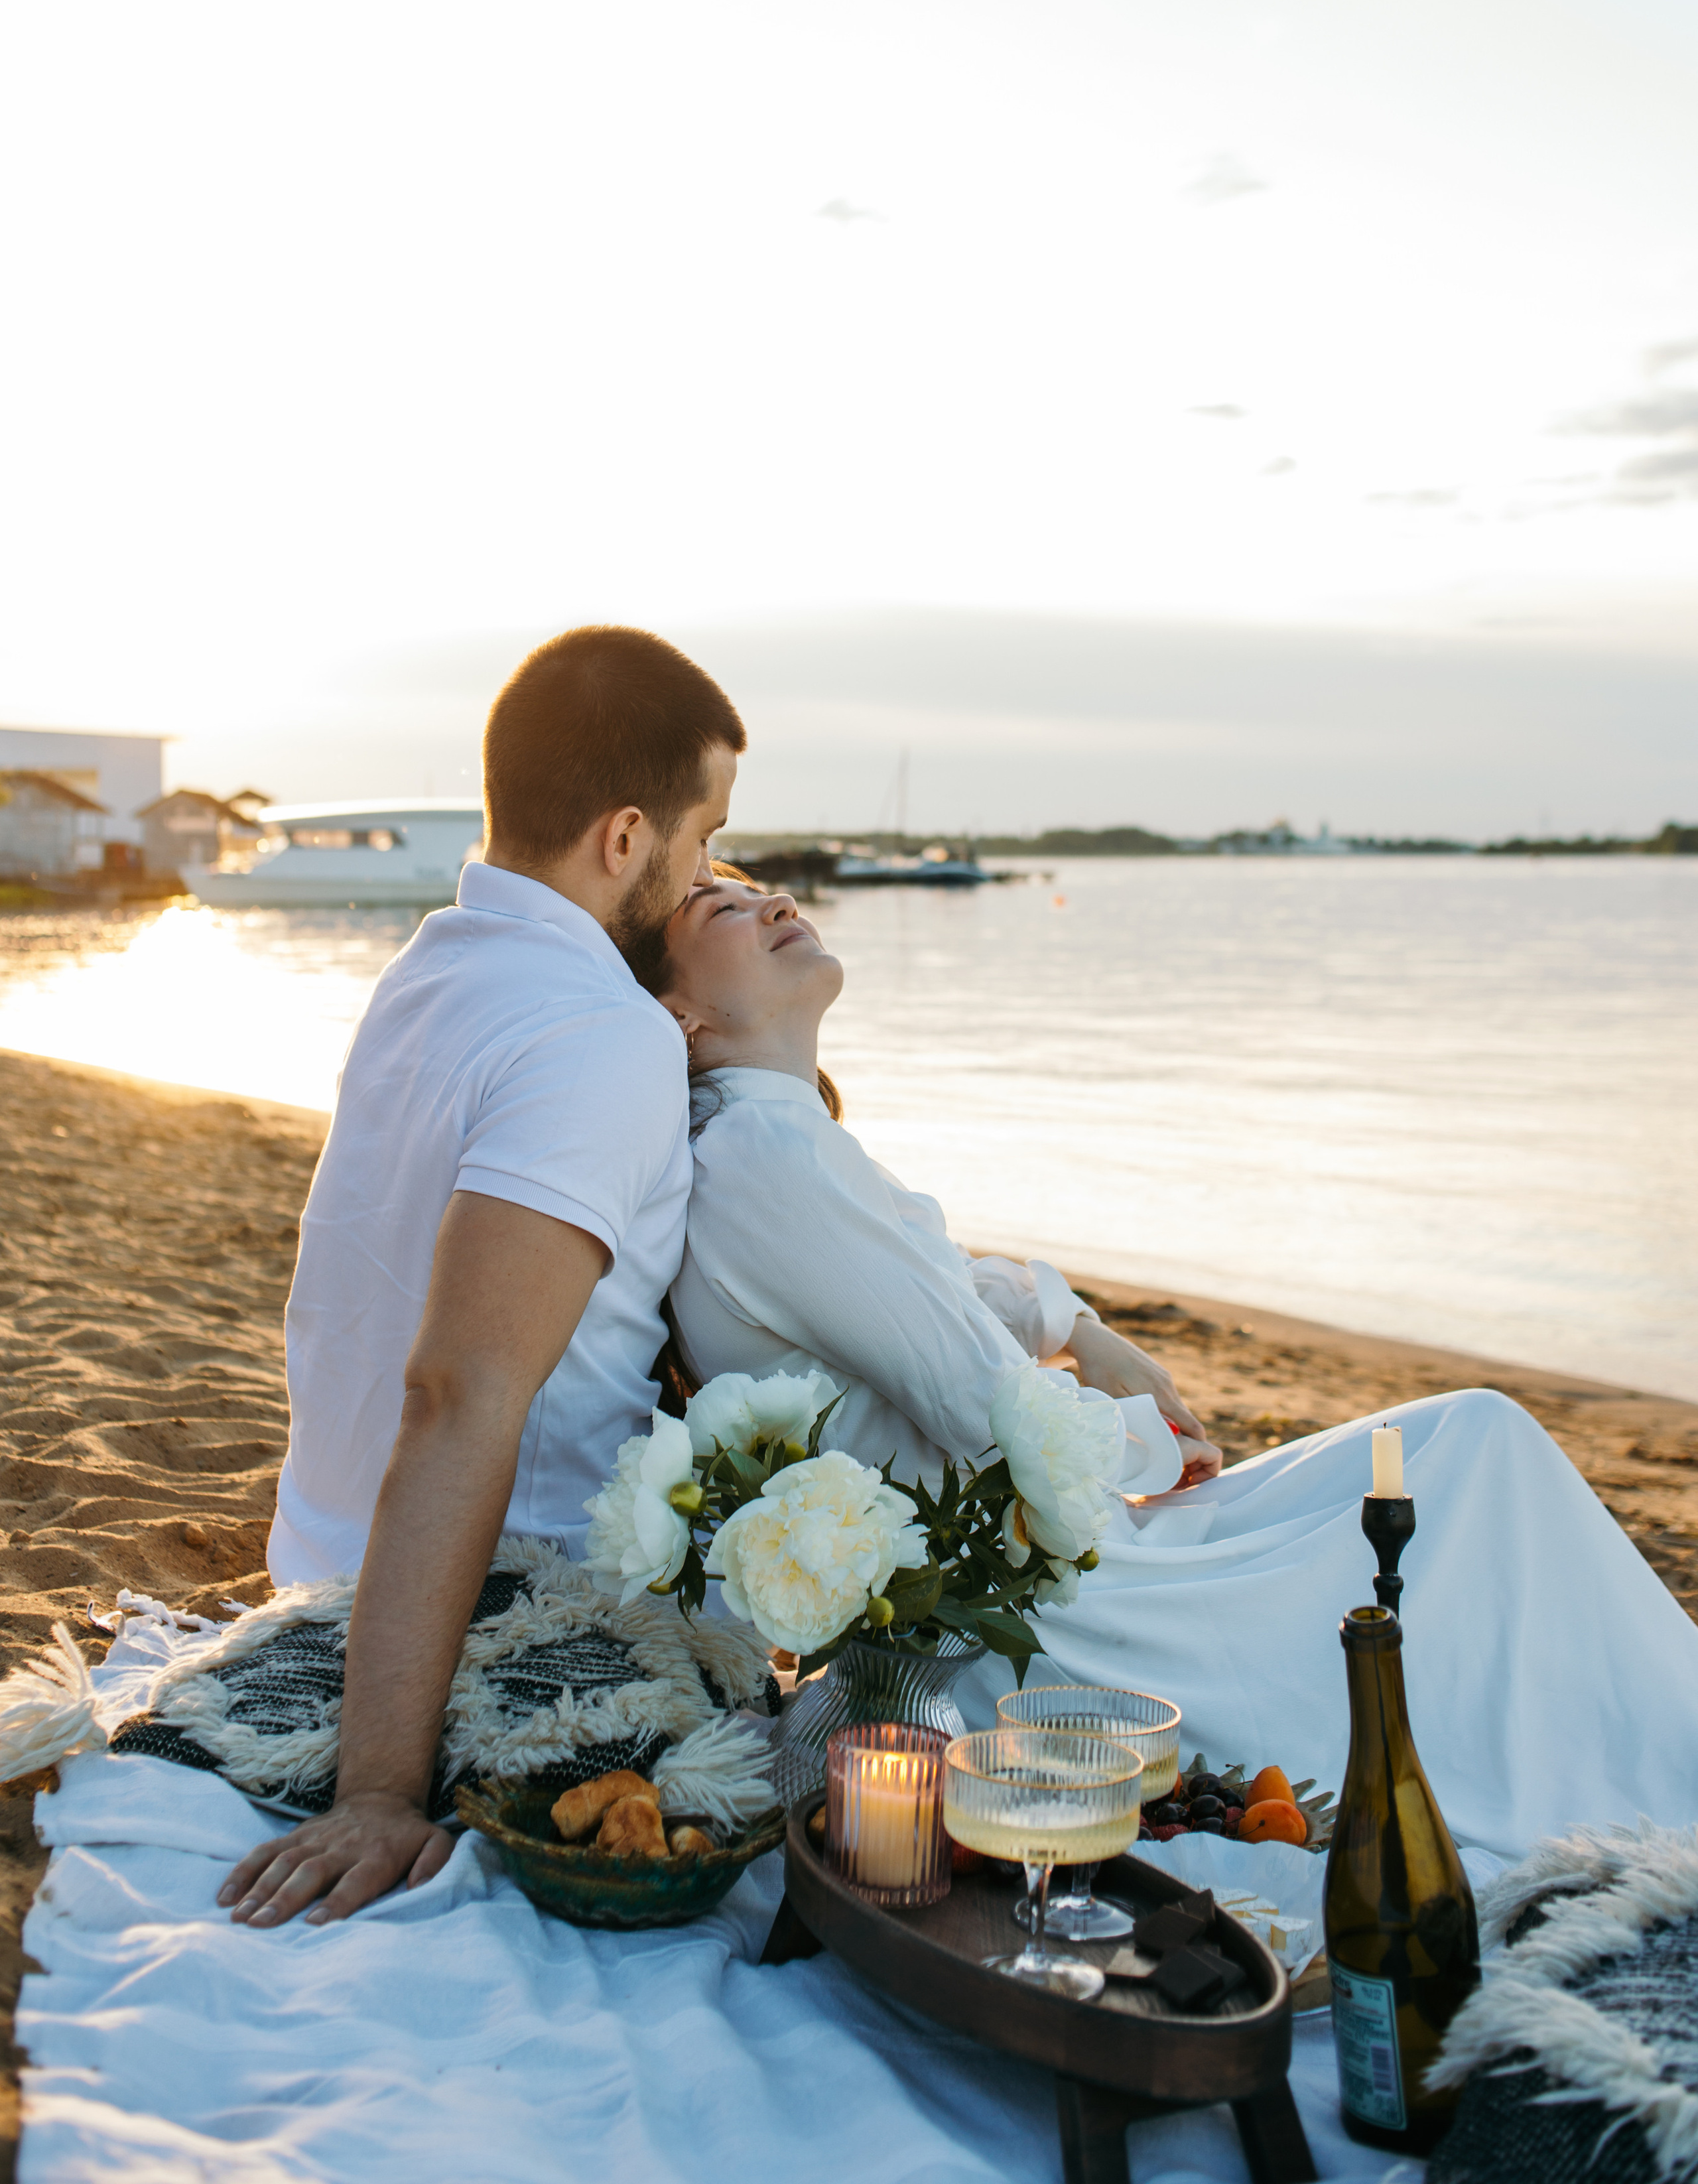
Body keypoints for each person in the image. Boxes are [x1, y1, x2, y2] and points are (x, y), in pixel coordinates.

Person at [654, 872, 1698, 1860]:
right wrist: (1159, 1443)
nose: (771, 900)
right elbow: (985, 1404)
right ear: (683, 1017)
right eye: (720, 908)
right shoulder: (762, 1159)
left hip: (1027, 1551)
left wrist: (1089, 1333)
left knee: (1469, 1447)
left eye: (755, 888)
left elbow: (952, 1292)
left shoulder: (781, 1146)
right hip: (1047, 1608)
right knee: (1479, 1456)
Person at [217, 626, 744, 1930]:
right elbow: (460, 1395)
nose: (708, 871)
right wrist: (381, 1791)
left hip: (325, 1558)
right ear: (623, 838)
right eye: (701, 831)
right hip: (504, 1616)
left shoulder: (432, 973)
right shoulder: (594, 1034)